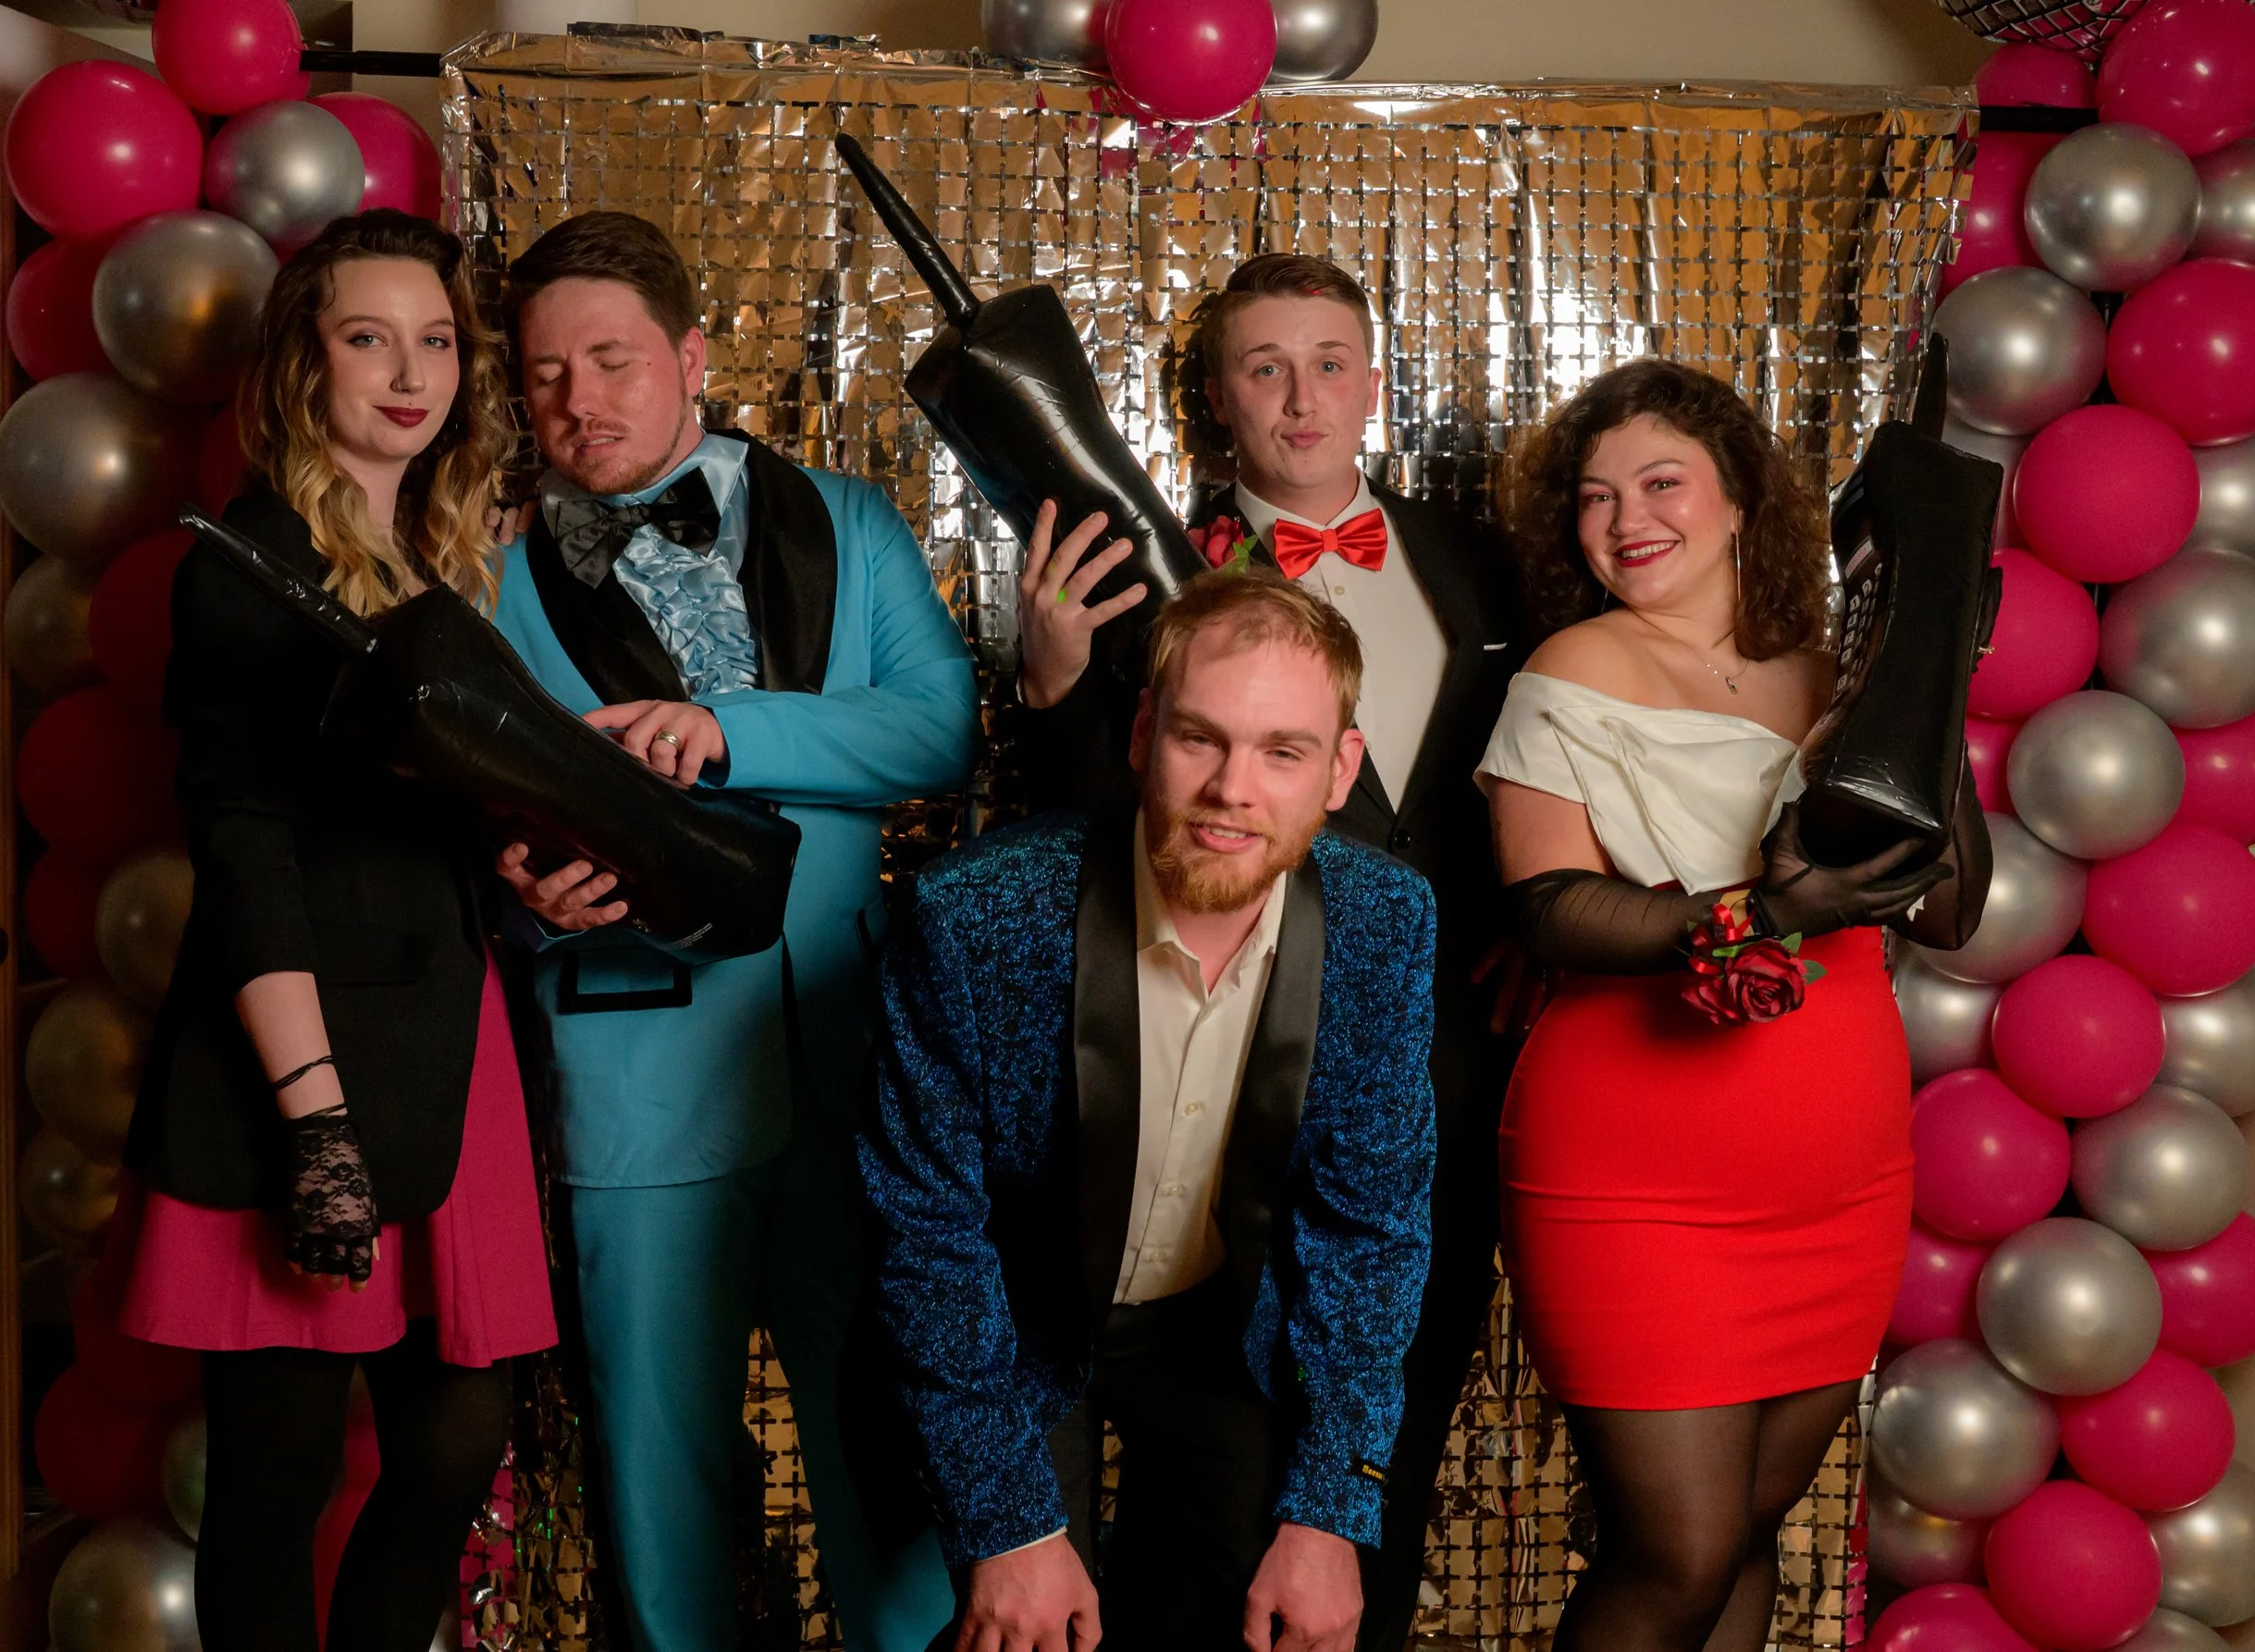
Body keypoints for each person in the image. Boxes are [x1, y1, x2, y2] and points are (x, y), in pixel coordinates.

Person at [1008, 253, 1526, 1648]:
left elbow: (1540, 782)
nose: (1302, 397)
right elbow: (1075, 834)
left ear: (1373, 378)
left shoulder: (1475, 560)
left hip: (1451, 1073)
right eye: (1264, 365)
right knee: (1223, 1462)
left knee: (1391, 1414)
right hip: (1219, 1069)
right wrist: (1054, 681)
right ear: (1219, 399)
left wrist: (1547, 933)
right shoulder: (1136, 560)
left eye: (1329, 359)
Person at [484, 211, 976, 1652]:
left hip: (854, 1059)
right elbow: (458, 815)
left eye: (614, 359)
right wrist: (521, 904)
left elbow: (939, 730)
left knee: (888, 1461)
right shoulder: (487, 574)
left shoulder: (850, 517)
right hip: (634, 1072)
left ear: (693, 356)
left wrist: (725, 729)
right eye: (546, 371)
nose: (580, 398)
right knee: (665, 1477)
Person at [1480, 360, 1989, 1652]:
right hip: (1639, 1169)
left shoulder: (1835, 672)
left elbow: (1947, 907)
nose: (1626, 518)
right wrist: (1764, 914)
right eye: (1595, 497)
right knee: (1679, 1549)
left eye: (1661, 483)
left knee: (1749, 1532)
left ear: (1740, 502)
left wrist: (1931, 682)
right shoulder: (1569, 664)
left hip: (1839, 1177)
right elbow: (1548, 910)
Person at [116, 210, 555, 1652]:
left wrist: (528, 865)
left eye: (434, 340)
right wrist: (315, 1120)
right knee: (282, 1469)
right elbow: (244, 850)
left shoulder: (440, 551)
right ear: (307, 364)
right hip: (298, 1044)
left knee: (453, 1434)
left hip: (450, 1030)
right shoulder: (240, 563)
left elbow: (431, 815)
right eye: (369, 338)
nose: (408, 373)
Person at [864, 570, 1437, 1652]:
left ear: (1337, 772)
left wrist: (1327, 1513)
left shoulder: (1385, 924)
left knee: (1265, 1620)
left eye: (1283, 752)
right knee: (1020, 1633)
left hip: (1223, 1326)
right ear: (1141, 735)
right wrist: (1008, 1523)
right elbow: (926, 1236)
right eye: (1199, 739)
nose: (1233, 788)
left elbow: (1370, 1237)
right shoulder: (973, 917)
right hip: (1019, 1320)